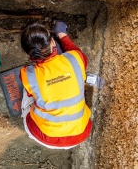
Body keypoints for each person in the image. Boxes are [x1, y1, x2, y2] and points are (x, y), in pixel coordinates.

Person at [19, 21, 92, 149]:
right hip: (81, 134)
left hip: (45, 137)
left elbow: (33, 92)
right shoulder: (76, 58)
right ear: (53, 42)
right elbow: (74, 50)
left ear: (28, 54)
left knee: (29, 92)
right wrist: (62, 33)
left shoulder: (28, 75)